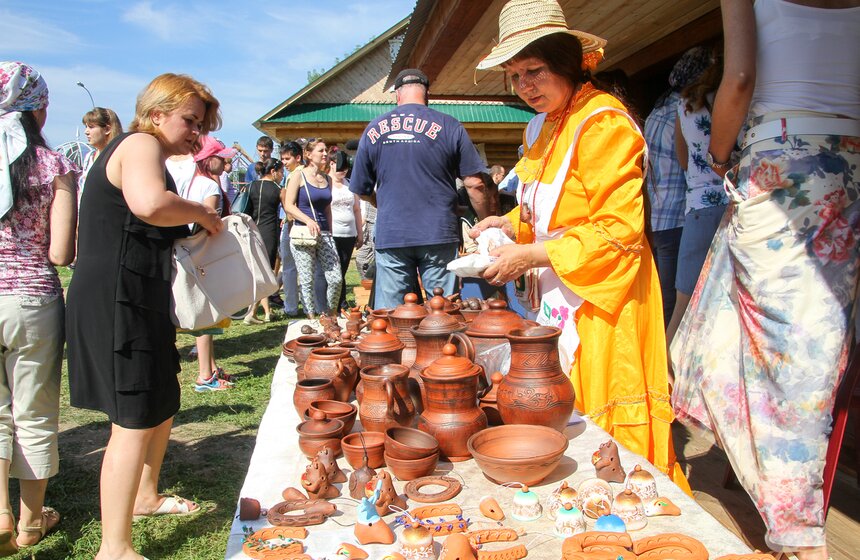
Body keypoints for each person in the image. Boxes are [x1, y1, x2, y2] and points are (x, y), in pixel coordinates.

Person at [470, 0, 690, 491]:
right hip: (558, 284)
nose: (524, 85)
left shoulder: (602, 122)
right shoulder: (552, 123)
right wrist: (502, 225)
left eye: (534, 71)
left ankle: (624, 498)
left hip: (600, 291)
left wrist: (529, 255)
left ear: (567, 64)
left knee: (599, 404)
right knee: (560, 393)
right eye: (515, 75)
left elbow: (617, 227)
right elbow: (550, 206)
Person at [671, 1, 860, 557]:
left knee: (776, 350)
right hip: (849, 164)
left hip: (779, 156)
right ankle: (785, 494)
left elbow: (741, 79)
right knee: (814, 346)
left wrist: (719, 154)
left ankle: (795, 523)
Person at [65, 72, 222, 560]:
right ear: (156, 113)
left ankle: (145, 496)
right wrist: (205, 212)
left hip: (141, 296)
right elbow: (151, 204)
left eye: (201, 126)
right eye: (190, 121)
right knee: (132, 419)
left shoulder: (146, 151)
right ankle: (113, 549)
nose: (196, 134)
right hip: (117, 300)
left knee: (162, 399)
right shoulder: (138, 144)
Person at [0, 61, 74, 553]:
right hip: (32, 297)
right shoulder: (55, 167)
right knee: (35, 413)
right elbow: (60, 253)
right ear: (37, 109)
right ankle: (30, 522)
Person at [350, 68, 486, 309]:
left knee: (390, 318)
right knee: (442, 312)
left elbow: (360, 188)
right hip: (438, 232)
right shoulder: (449, 125)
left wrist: (377, 201)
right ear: (427, 95)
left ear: (397, 95)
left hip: (392, 233)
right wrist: (486, 221)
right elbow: (474, 183)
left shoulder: (373, 129)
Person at [664, 51, 728, 349]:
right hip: (730, 203)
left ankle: (666, 368)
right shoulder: (726, 99)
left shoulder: (684, 106)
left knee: (684, 297)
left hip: (697, 205)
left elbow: (684, 158)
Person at [643, 47, 710, 325]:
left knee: (659, 296)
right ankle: (665, 364)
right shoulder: (688, 108)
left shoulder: (657, 110)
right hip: (677, 214)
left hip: (653, 216)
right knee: (673, 298)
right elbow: (686, 163)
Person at [171, 135, 236, 392]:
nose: (225, 161)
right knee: (207, 316)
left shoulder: (191, 183)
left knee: (206, 314)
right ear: (208, 160)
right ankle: (205, 376)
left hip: (187, 254)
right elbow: (208, 227)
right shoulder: (209, 187)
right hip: (203, 257)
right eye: (220, 157)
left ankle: (211, 365)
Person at [283, 138, 342, 319]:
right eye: (320, 151)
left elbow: (327, 208)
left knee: (336, 279)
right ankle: (312, 318)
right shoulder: (298, 176)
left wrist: (330, 231)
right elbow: (289, 205)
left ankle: (330, 315)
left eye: (326, 151)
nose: (325, 154)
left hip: (324, 234)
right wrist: (307, 220)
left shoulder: (327, 179)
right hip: (304, 233)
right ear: (308, 155)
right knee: (307, 280)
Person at [244, 157, 285, 324]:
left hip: (252, 231)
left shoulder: (251, 186)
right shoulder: (278, 189)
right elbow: (288, 209)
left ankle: (267, 312)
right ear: (273, 171)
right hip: (269, 232)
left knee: (257, 272)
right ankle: (251, 312)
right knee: (266, 272)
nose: (282, 175)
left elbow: (246, 210)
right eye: (281, 171)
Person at [329, 150, 362, 311]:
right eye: (340, 167)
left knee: (343, 269)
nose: (343, 171)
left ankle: (340, 302)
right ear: (331, 164)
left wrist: (360, 233)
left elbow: (356, 209)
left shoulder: (350, 184)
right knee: (335, 271)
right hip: (332, 233)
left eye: (346, 168)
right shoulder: (326, 183)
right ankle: (336, 303)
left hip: (349, 233)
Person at [277, 141, 304, 316]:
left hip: (294, 224)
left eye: (287, 159)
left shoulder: (297, 174)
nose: (284, 163)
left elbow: (289, 203)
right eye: (283, 159)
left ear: (298, 158)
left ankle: (291, 306)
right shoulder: (300, 173)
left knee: (290, 267)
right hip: (292, 222)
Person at [80, 107, 123, 194]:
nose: (86, 132)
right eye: (86, 126)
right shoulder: (89, 157)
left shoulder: (118, 155)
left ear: (107, 129)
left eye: (91, 127)